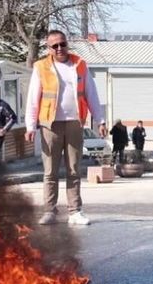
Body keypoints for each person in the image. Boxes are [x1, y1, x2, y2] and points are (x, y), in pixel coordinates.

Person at [24, 29, 105, 226]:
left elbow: (91, 94)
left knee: (74, 169)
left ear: (67, 44)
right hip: (50, 125)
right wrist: (30, 125)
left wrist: (100, 120)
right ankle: (49, 211)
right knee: (50, 171)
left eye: (63, 44)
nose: (60, 48)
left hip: (75, 123)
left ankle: (75, 211)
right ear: (48, 48)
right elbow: (33, 98)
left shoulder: (79, 64)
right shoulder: (41, 67)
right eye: (55, 46)